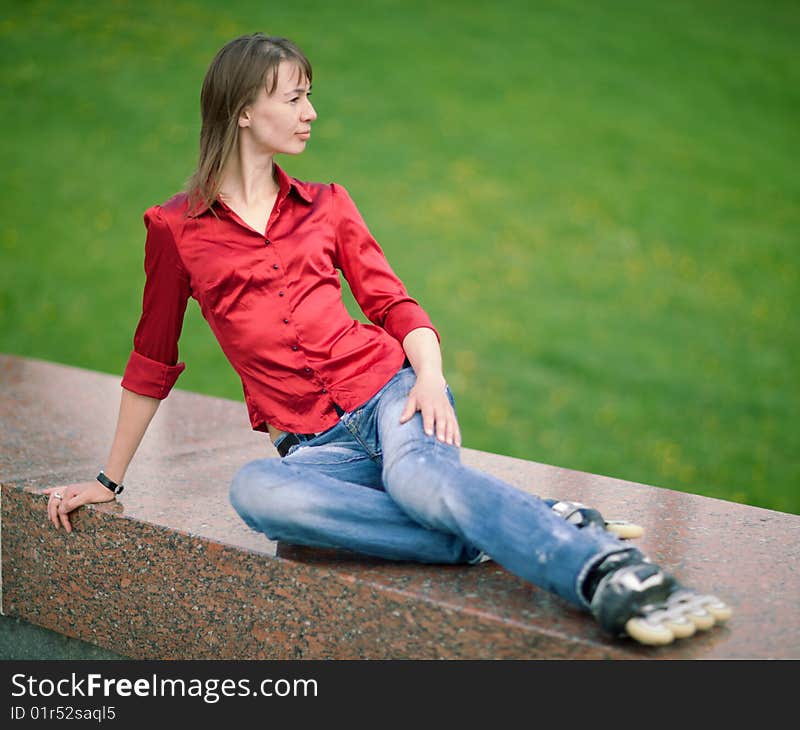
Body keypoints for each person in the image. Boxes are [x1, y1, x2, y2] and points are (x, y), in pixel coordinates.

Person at [44, 33, 730, 646]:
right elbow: (151, 358)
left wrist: (428, 376)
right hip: (311, 447)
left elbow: (394, 305)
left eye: (311, 96)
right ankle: (506, 525)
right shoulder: (175, 230)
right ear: (244, 111)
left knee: (414, 475)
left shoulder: (329, 204)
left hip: (390, 396)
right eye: (296, 98)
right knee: (260, 495)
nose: (311, 112)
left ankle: (605, 570)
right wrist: (108, 481)